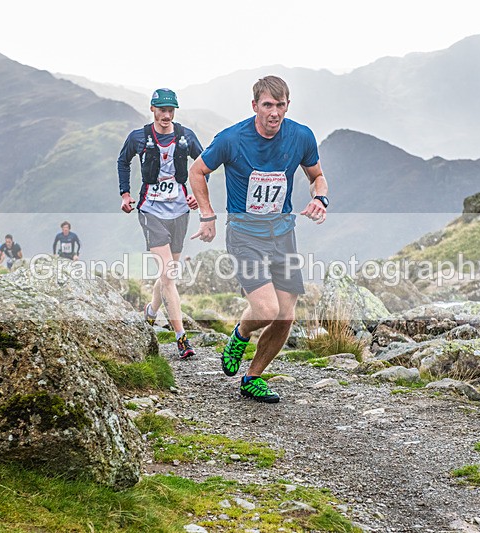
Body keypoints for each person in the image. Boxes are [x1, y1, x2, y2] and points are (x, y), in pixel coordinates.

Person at [189, 76, 329, 403]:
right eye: (268, 105)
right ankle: (241, 333)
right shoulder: (232, 139)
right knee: (266, 309)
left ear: (287, 106)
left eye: (281, 105)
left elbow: (317, 176)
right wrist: (207, 214)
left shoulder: (301, 136)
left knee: (286, 316)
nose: (274, 113)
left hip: (283, 235)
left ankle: (252, 377)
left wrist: (320, 198)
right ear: (255, 106)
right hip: (244, 235)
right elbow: (197, 172)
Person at [117, 88, 205, 360]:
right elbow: (123, 161)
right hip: (151, 209)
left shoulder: (185, 136)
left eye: (171, 110)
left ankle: (150, 313)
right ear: (153, 109)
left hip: (179, 210)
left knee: (168, 276)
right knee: (169, 273)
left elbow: (204, 164)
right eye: (162, 110)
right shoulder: (139, 137)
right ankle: (182, 339)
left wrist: (195, 195)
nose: (166, 115)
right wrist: (125, 193)